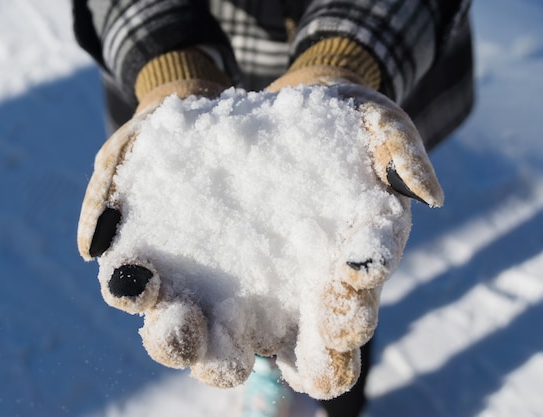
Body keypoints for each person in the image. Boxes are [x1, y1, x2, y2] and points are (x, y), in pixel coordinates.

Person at [72, 1, 474, 416]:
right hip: (201, 34)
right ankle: (270, 362)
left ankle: (344, 402)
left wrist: (341, 62)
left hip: (373, 41)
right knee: (257, 296)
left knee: (352, 264)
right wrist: (170, 66)